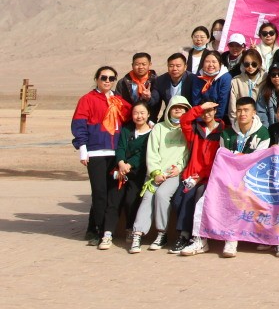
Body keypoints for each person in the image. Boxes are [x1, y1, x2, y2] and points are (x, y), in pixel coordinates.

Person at [72, 67, 132, 248]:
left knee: (113, 193)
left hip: (116, 154)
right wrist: (83, 149)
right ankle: (98, 230)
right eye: (103, 77)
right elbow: (79, 123)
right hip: (96, 152)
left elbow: (134, 116)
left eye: (111, 78)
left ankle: (105, 229)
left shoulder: (119, 101)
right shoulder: (87, 100)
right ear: (96, 79)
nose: (107, 81)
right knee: (99, 193)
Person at [130, 95, 191, 252]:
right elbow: (152, 152)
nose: (178, 109)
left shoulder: (187, 129)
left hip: (175, 174)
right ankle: (137, 233)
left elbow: (186, 153)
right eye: (174, 107)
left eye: (182, 107)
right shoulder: (159, 128)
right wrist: (155, 172)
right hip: (156, 173)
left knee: (162, 194)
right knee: (148, 196)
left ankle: (161, 233)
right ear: (168, 110)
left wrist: (179, 168)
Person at [218, 96, 270, 257]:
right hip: (229, 177)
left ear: (254, 112)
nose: (242, 114)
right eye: (239, 110)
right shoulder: (226, 133)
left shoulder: (263, 133)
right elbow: (223, 158)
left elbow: (257, 160)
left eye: (246, 110)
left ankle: (262, 237)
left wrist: (238, 157)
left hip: (253, 177)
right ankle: (230, 240)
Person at [102, 100, 153, 251]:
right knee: (114, 200)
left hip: (137, 173)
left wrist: (129, 165)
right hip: (120, 171)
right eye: (136, 113)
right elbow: (121, 147)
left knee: (131, 200)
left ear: (148, 114)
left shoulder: (151, 133)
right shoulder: (126, 130)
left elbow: (143, 154)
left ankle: (130, 229)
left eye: (142, 113)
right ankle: (107, 233)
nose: (139, 116)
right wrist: (121, 162)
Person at [174, 101, 223, 256]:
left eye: (210, 111)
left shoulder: (223, 131)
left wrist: (203, 175)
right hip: (191, 175)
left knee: (197, 198)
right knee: (178, 200)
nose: (206, 114)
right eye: (204, 111)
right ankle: (185, 233)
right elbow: (184, 120)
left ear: (216, 111)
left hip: (209, 177)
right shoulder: (195, 129)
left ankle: (187, 235)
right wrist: (199, 108)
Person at [116, 52, 160, 121]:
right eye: (137, 64)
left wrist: (148, 99)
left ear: (150, 64)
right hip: (127, 120)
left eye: (144, 64)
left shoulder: (156, 81)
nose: (140, 67)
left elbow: (156, 102)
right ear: (132, 65)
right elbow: (118, 102)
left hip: (149, 120)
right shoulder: (123, 82)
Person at [153, 52, 194, 122]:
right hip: (169, 116)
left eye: (178, 66)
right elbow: (155, 101)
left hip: (189, 116)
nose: (174, 69)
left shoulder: (193, 79)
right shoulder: (160, 81)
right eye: (171, 65)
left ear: (185, 67)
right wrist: (148, 98)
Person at [192, 50, 232, 121]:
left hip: (219, 119)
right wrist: (200, 121)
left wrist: (214, 122)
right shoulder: (198, 77)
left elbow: (223, 102)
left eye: (214, 62)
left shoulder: (225, 77)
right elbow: (196, 101)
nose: (210, 65)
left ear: (220, 64)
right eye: (207, 61)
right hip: (201, 117)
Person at [228, 49, 265, 123]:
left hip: (261, 122)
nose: (250, 67)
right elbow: (232, 108)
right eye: (247, 64)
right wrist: (236, 125)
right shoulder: (236, 81)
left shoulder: (266, 79)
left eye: (254, 64)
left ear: (259, 63)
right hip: (241, 123)